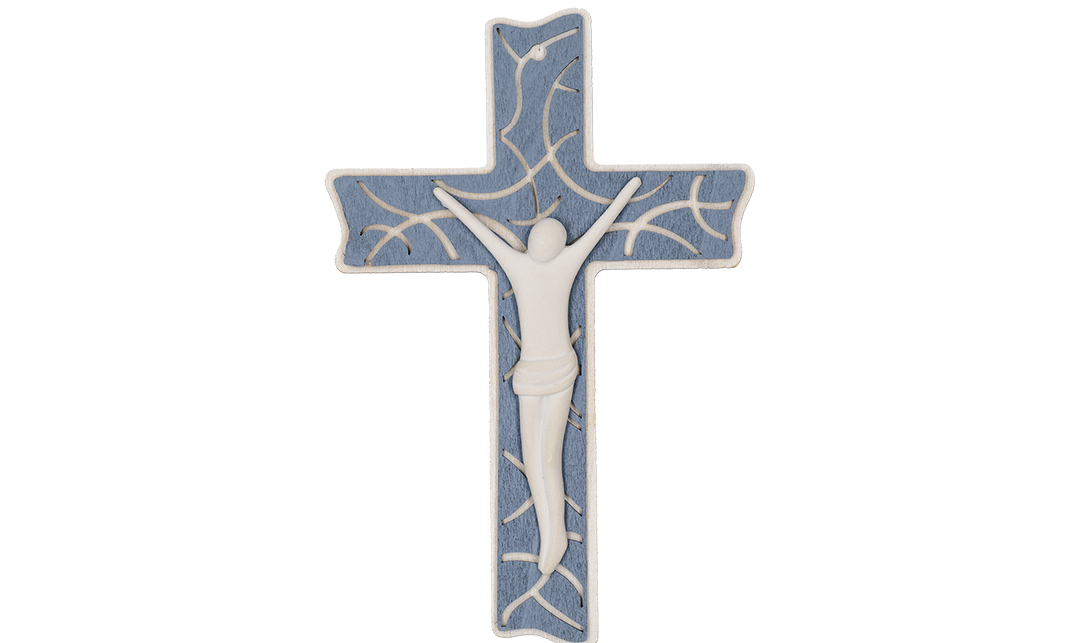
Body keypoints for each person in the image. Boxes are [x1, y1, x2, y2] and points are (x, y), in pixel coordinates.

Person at [434, 178, 641, 575]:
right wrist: (447, 200)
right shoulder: (518, 264)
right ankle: (550, 532)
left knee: (549, 455)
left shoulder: (567, 262)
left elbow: (602, 226)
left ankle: (555, 533)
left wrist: (628, 190)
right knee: (532, 458)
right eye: (537, 236)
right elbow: (480, 231)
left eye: (550, 237)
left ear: (560, 245)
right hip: (529, 373)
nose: (540, 241)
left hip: (561, 369)